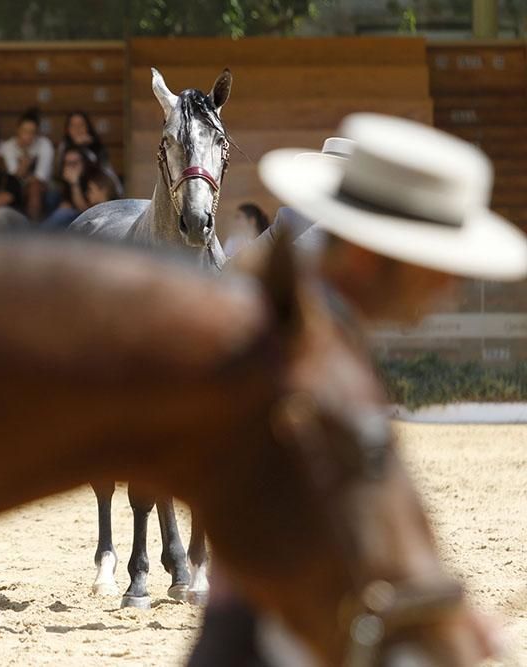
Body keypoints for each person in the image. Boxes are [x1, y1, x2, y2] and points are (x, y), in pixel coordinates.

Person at [189, 117, 527, 666]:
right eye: (436, 263)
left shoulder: (313, 327)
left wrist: (435, 610)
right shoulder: (305, 353)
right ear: (371, 257)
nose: (453, 286)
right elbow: (313, 528)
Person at [0, 109, 54, 221]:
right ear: (17, 130)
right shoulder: (8, 146)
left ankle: (32, 229)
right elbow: (13, 177)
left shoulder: (45, 144)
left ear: (37, 133)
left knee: (34, 187)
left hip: (44, 188)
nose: (27, 135)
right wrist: (24, 162)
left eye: (32, 132)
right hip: (16, 188)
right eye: (24, 131)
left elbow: (40, 177)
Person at [40, 146, 91, 230]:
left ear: (83, 164)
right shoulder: (64, 179)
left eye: (74, 163)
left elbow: (85, 211)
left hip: (86, 217)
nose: (70, 167)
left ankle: (38, 234)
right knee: (51, 195)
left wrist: (74, 184)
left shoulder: (91, 178)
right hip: (69, 212)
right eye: (67, 163)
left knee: (62, 213)